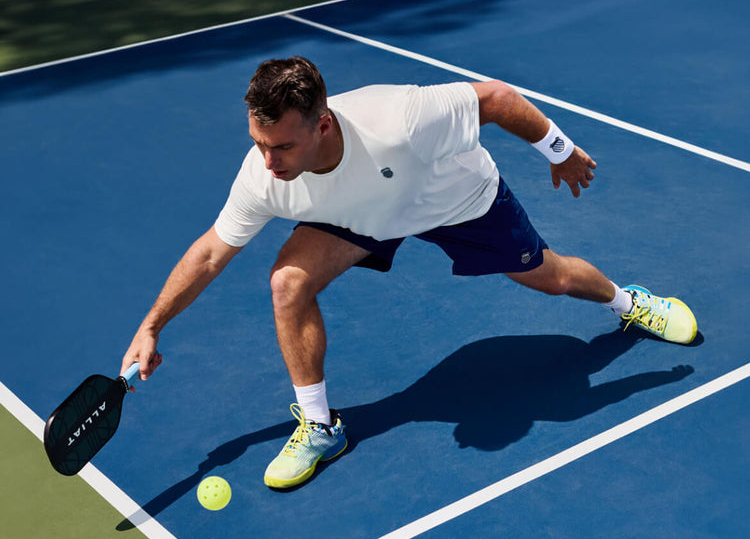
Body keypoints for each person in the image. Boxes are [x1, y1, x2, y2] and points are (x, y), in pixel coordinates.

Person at [121, 56, 697, 490]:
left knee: (550, 276)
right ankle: (321, 427)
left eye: (281, 147)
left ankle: (628, 303)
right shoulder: (265, 173)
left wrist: (560, 150)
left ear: (323, 125)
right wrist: (152, 326)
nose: (269, 162)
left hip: (455, 200)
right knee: (287, 281)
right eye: (259, 144)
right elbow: (210, 253)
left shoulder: (399, 119)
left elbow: (495, 98)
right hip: (358, 217)